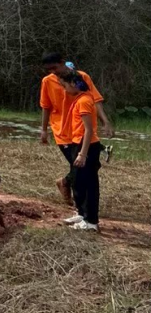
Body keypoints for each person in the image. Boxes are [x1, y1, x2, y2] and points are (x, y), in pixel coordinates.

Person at [39, 53, 113, 206]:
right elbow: (46, 106)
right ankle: (82, 207)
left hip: (81, 131)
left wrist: (105, 121)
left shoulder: (80, 78)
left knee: (87, 166)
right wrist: (44, 130)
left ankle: (68, 185)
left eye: (54, 67)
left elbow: (94, 99)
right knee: (81, 168)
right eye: (49, 69)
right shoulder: (47, 81)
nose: (53, 71)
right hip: (62, 131)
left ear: (62, 62)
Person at [65, 73, 103, 231]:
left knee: (89, 184)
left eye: (65, 85)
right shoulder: (80, 100)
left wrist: (82, 153)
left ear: (74, 83)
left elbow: (89, 130)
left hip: (86, 146)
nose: (64, 89)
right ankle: (82, 214)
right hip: (77, 144)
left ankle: (91, 221)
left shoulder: (85, 101)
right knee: (78, 181)